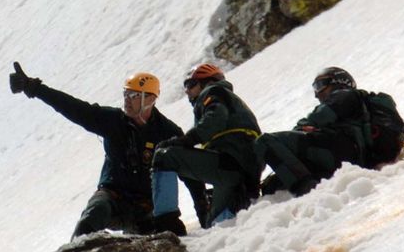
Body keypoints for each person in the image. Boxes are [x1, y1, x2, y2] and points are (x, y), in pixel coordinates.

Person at [9, 61, 208, 237]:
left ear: (150, 99)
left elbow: (191, 177)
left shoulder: (168, 132)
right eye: (125, 94)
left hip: (146, 207)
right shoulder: (113, 121)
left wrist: (204, 215)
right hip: (112, 198)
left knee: (171, 238)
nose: (126, 100)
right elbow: (75, 108)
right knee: (92, 217)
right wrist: (35, 88)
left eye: (133, 95)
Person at [151, 62, 262, 226]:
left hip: (230, 161)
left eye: (191, 84)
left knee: (164, 157)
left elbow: (215, 118)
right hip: (244, 170)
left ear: (207, 82)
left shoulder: (212, 92)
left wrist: (186, 140)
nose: (187, 91)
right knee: (217, 223)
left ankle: (166, 223)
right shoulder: (231, 100)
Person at [256, 66, 368, 197]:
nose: (316, 94)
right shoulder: (360, 104)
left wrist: (306, 127)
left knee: (265, 141)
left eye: (320, 85)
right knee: (273, 185)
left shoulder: (344, 95)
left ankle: (307, 190)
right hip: (346, 154)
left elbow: (315, 119)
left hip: (342, 151)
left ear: (340, 82)